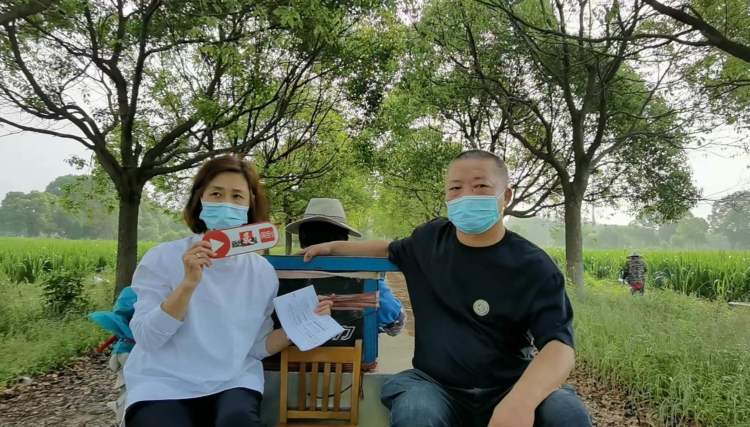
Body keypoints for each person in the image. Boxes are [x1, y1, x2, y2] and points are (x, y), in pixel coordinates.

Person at [302, 150, 592, 427]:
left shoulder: (533, 265)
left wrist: (520, 403)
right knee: (416, 411)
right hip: (435, 386)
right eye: (455, 188)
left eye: (480, 186)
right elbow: (388, 249)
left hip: (510, 385)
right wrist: (333, 247)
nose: (466, 196)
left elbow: (559, 346)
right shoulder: (430, 240)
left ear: (506, 196)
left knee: (566, 412)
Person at [123, 156, 332, 427]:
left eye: (237, 196)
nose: (226, 204)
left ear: (250, 204)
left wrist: (303, 323)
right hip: (162, 383)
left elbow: (256, 347)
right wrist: (187, 285)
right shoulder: (162, 257)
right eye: (216, 194)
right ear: (200, 199)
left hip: (232, 381)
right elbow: (147, 339)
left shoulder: (262, 272)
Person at [286, 198, 406, 336]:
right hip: (353, 348)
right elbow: (395, 324)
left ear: (302, 238)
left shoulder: (283, 277)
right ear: (344, 240)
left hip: (292, 348)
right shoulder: (366, 278)